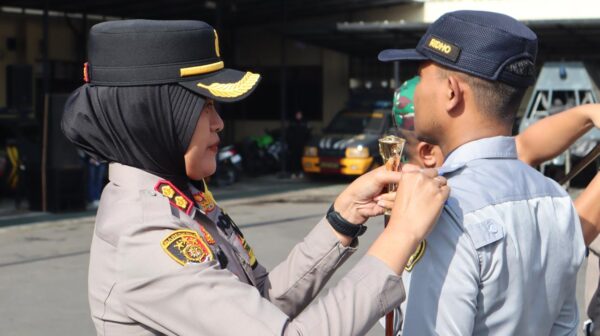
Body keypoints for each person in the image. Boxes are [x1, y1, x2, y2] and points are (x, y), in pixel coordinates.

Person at [61, 19, 450, 335]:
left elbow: (260, 304)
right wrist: (400, 238)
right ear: (153, 115)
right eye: (204, 106)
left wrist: (341, 220)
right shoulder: (146, 235)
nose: (218, 124)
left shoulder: (174, 201)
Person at [378, 10, 585, 335]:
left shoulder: (443, 212)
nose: (414, 90)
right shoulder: (556, 199)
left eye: (421, 75)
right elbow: (564, 327)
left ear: (451, 93)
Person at [286, 110, 310, 178]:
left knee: (301, 159)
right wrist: (290, 143)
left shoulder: (304, 123)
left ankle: (301, 173)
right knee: (294, 159)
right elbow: (288, 134)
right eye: (297, 114)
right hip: (293, 145)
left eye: (299, 114)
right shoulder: (292, 123)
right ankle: (293, 173)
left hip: (302, 145)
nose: (298, 116)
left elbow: (307, 134)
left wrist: (306, 143)